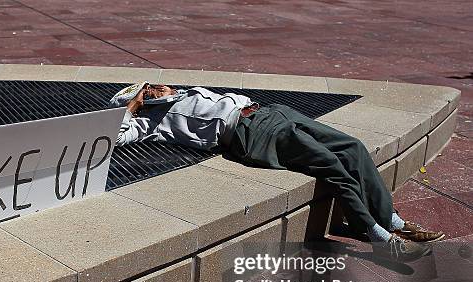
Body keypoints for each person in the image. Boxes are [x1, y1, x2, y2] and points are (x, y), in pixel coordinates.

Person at [108, 82, 444, 262]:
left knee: (352, 147)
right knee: (332, 165)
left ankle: (392, 220)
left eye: (152, 86)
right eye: (146, 93)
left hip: (273, 112)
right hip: (251, 134)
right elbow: (120, 135)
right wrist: (133, 105)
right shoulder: (154, 120)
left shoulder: (188, 90)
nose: (154, 90)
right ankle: (377, 234)